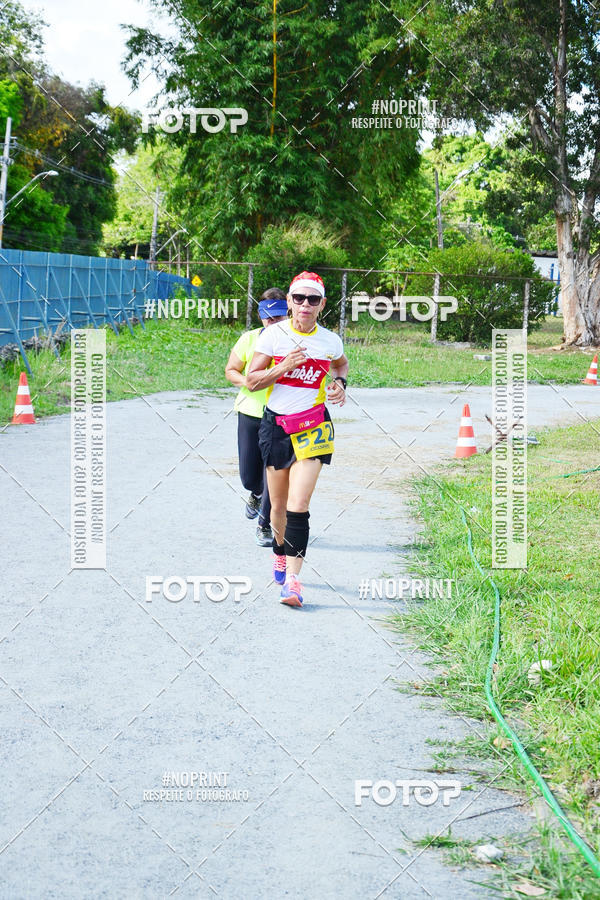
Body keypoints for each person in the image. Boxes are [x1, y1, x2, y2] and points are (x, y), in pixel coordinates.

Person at [246, 271, 349, 607]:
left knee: (298, 505)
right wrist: (283, 366)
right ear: (289, 302)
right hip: (276, 426)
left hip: (314, 426)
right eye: (299, 298)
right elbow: (252, 382)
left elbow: (341, 365)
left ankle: (293, 581)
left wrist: (340, 385)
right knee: (277, 508)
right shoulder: (272, 336)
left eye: (313, 299)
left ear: (322, 305)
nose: (306, 305)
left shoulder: (330, 340)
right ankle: (279, 550)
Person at [225, 289, 288, 546]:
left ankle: (264, 525)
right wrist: (250, 383)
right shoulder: (249, 339)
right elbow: (231, 370)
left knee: (273, 472)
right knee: (249, 476)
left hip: (281, 416)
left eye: (277, 317)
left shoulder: (293, 342)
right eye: (267, 318)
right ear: (261, 316)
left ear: (288, 314)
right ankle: (255, 492)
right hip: (250, 412)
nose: (272, 322)